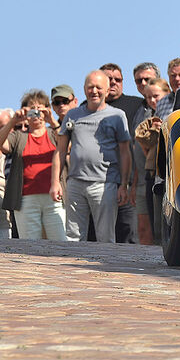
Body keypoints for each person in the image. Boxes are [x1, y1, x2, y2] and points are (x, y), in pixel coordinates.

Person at [53, 71, 132, 243]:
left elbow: (125, 152)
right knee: (73, 236)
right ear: (84, 89)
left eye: (98, 87)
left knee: (105, 237)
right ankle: (71, 269)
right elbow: (60, 151)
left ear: (107, 89)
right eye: (90, 87)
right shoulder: (72, 115)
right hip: (75, 182)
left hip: (105, 183)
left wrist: (124, 184)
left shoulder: (117, 116)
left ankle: (105, 270)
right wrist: (55, 182)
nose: (94, 91)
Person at [0, 89, 67, 241]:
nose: (36, 114)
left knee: (61, 243)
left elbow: (67, 145)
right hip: (26, 199)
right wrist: (13, 121)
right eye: (31, 110)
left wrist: (52, 121)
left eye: (39, 109)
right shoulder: (19, 136)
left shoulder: (53, 132)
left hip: (54, 197)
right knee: (30, 246)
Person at [101, 62, 143, 244]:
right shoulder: (89, 108)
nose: (113, 83)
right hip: (99, 183)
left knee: (129, 234)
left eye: (117, 79)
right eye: (108, 79)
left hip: (128, 182)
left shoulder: (136, 104)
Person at [130, 64, 160, 245]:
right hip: (141, 178)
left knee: (159, 228)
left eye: (147, 79)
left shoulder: (165, 104)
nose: (143, 83)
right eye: (138, 80)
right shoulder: (140, 109)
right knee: (143, 229)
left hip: (159, 177)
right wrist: (133, 184)